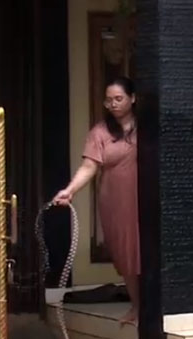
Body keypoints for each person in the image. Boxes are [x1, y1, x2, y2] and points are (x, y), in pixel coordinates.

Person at [53, 77, 140, 324]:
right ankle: (137, 306)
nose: (113, 104)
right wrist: (70, 191)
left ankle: (154, 306)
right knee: (125, 253)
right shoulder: (100, 132)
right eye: (109, 100)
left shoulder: (148, 126)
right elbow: (89, 166)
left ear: (133, 98)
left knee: (146, 250)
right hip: (115, 201)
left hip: (144, 197)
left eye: (119, 99)